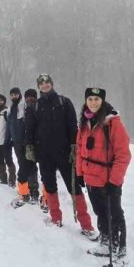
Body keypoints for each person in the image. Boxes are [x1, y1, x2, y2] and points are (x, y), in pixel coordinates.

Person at [25, 74, 96, 239]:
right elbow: (30, 128)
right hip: (44, 154)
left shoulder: (64, 102)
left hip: (64, 153)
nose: (44, 85)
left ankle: (87, 225)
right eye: (41, 84)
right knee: (49, 186)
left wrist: (74, 146)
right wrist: (29, 146)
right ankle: (56, 218)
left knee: (74, 188)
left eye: (47, 82)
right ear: (39, 87)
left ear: (51, 84)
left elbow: (73, 125)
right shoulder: (35, 106)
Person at [76, 87, 131, 260]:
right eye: (90, 99)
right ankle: (106, 242)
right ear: (86, 101)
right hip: (91, 178)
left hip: (108, 179)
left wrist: (115, 182)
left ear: (102, 101)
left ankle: (119, 249)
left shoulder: (112, 123)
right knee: (100, 213)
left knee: (114, 214)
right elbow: (79, 149)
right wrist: (79, 172)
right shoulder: (84, 122)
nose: (93, 103)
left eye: (97, 100)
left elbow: (123, 155)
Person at [8, 87, 39, 208]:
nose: (30, 99)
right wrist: (10, 139)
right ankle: (25, 192)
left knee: (31, 167)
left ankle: (34, 192)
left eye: (32, 97)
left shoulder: (31, 108)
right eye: (28, 97)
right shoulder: (15, 108)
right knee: (23, 167)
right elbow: (11, 125)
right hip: (18, 142)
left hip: (30, 143)